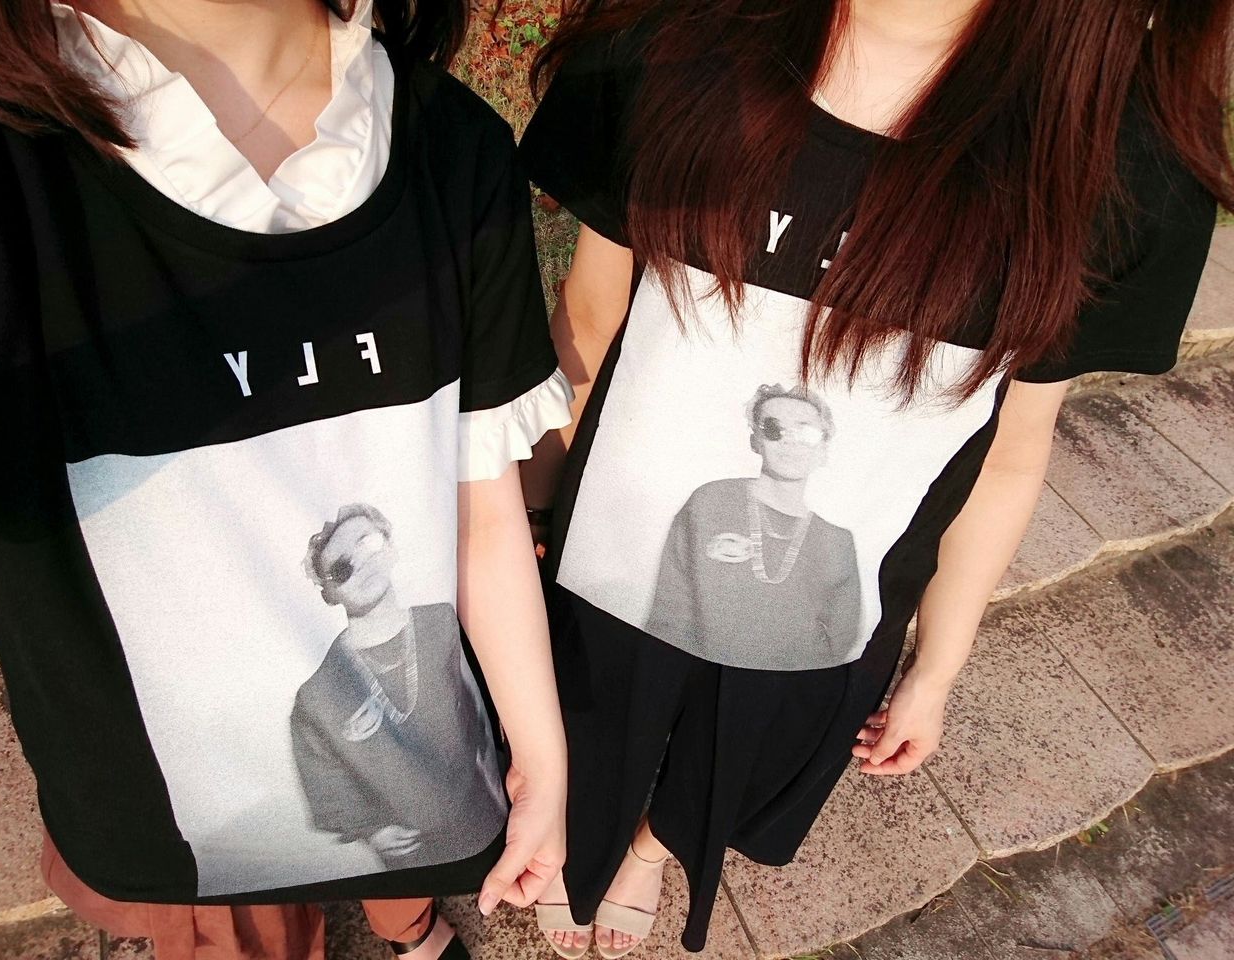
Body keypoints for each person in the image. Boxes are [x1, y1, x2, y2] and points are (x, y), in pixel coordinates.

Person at [516, 0, 1232, 956]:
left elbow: (1012, 448)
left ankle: (652, 848)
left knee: (742, 756)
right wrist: (532, 505)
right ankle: (588, 839)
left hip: (835, 603)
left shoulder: (1119, 164)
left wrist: (938, 664)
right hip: (618, 551)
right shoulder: (663, 41)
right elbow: (593, 318)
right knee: (592, 718)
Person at [0, 0, 573, 958]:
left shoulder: (452, 146)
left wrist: (541, 752)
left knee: (411, 864)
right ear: (323, 579)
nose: (369, 563)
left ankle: (409, 922)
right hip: (184, 827)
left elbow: (479, 510)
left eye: (372, 545)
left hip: (437, 790)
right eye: (346, 558)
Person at [291, 503, 508, 872]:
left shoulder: (444, 623)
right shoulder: (319, 694)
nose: (361, 564)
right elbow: (323, 775)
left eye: (368, 544)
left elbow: (486, 709)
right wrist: (370, 830)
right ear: (329, 593)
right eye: (342, 568)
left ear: (390, 547)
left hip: (483, 814)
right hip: (413, 854)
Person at [646, 384, 862, 670]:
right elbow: (669, 612)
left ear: (823, 447)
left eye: (806, 432)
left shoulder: (837, 541)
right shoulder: (710, 502)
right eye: (774, 429)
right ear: (755, 441)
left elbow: (838, 643)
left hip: (785, 691)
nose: (789, 442)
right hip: (693, 678)